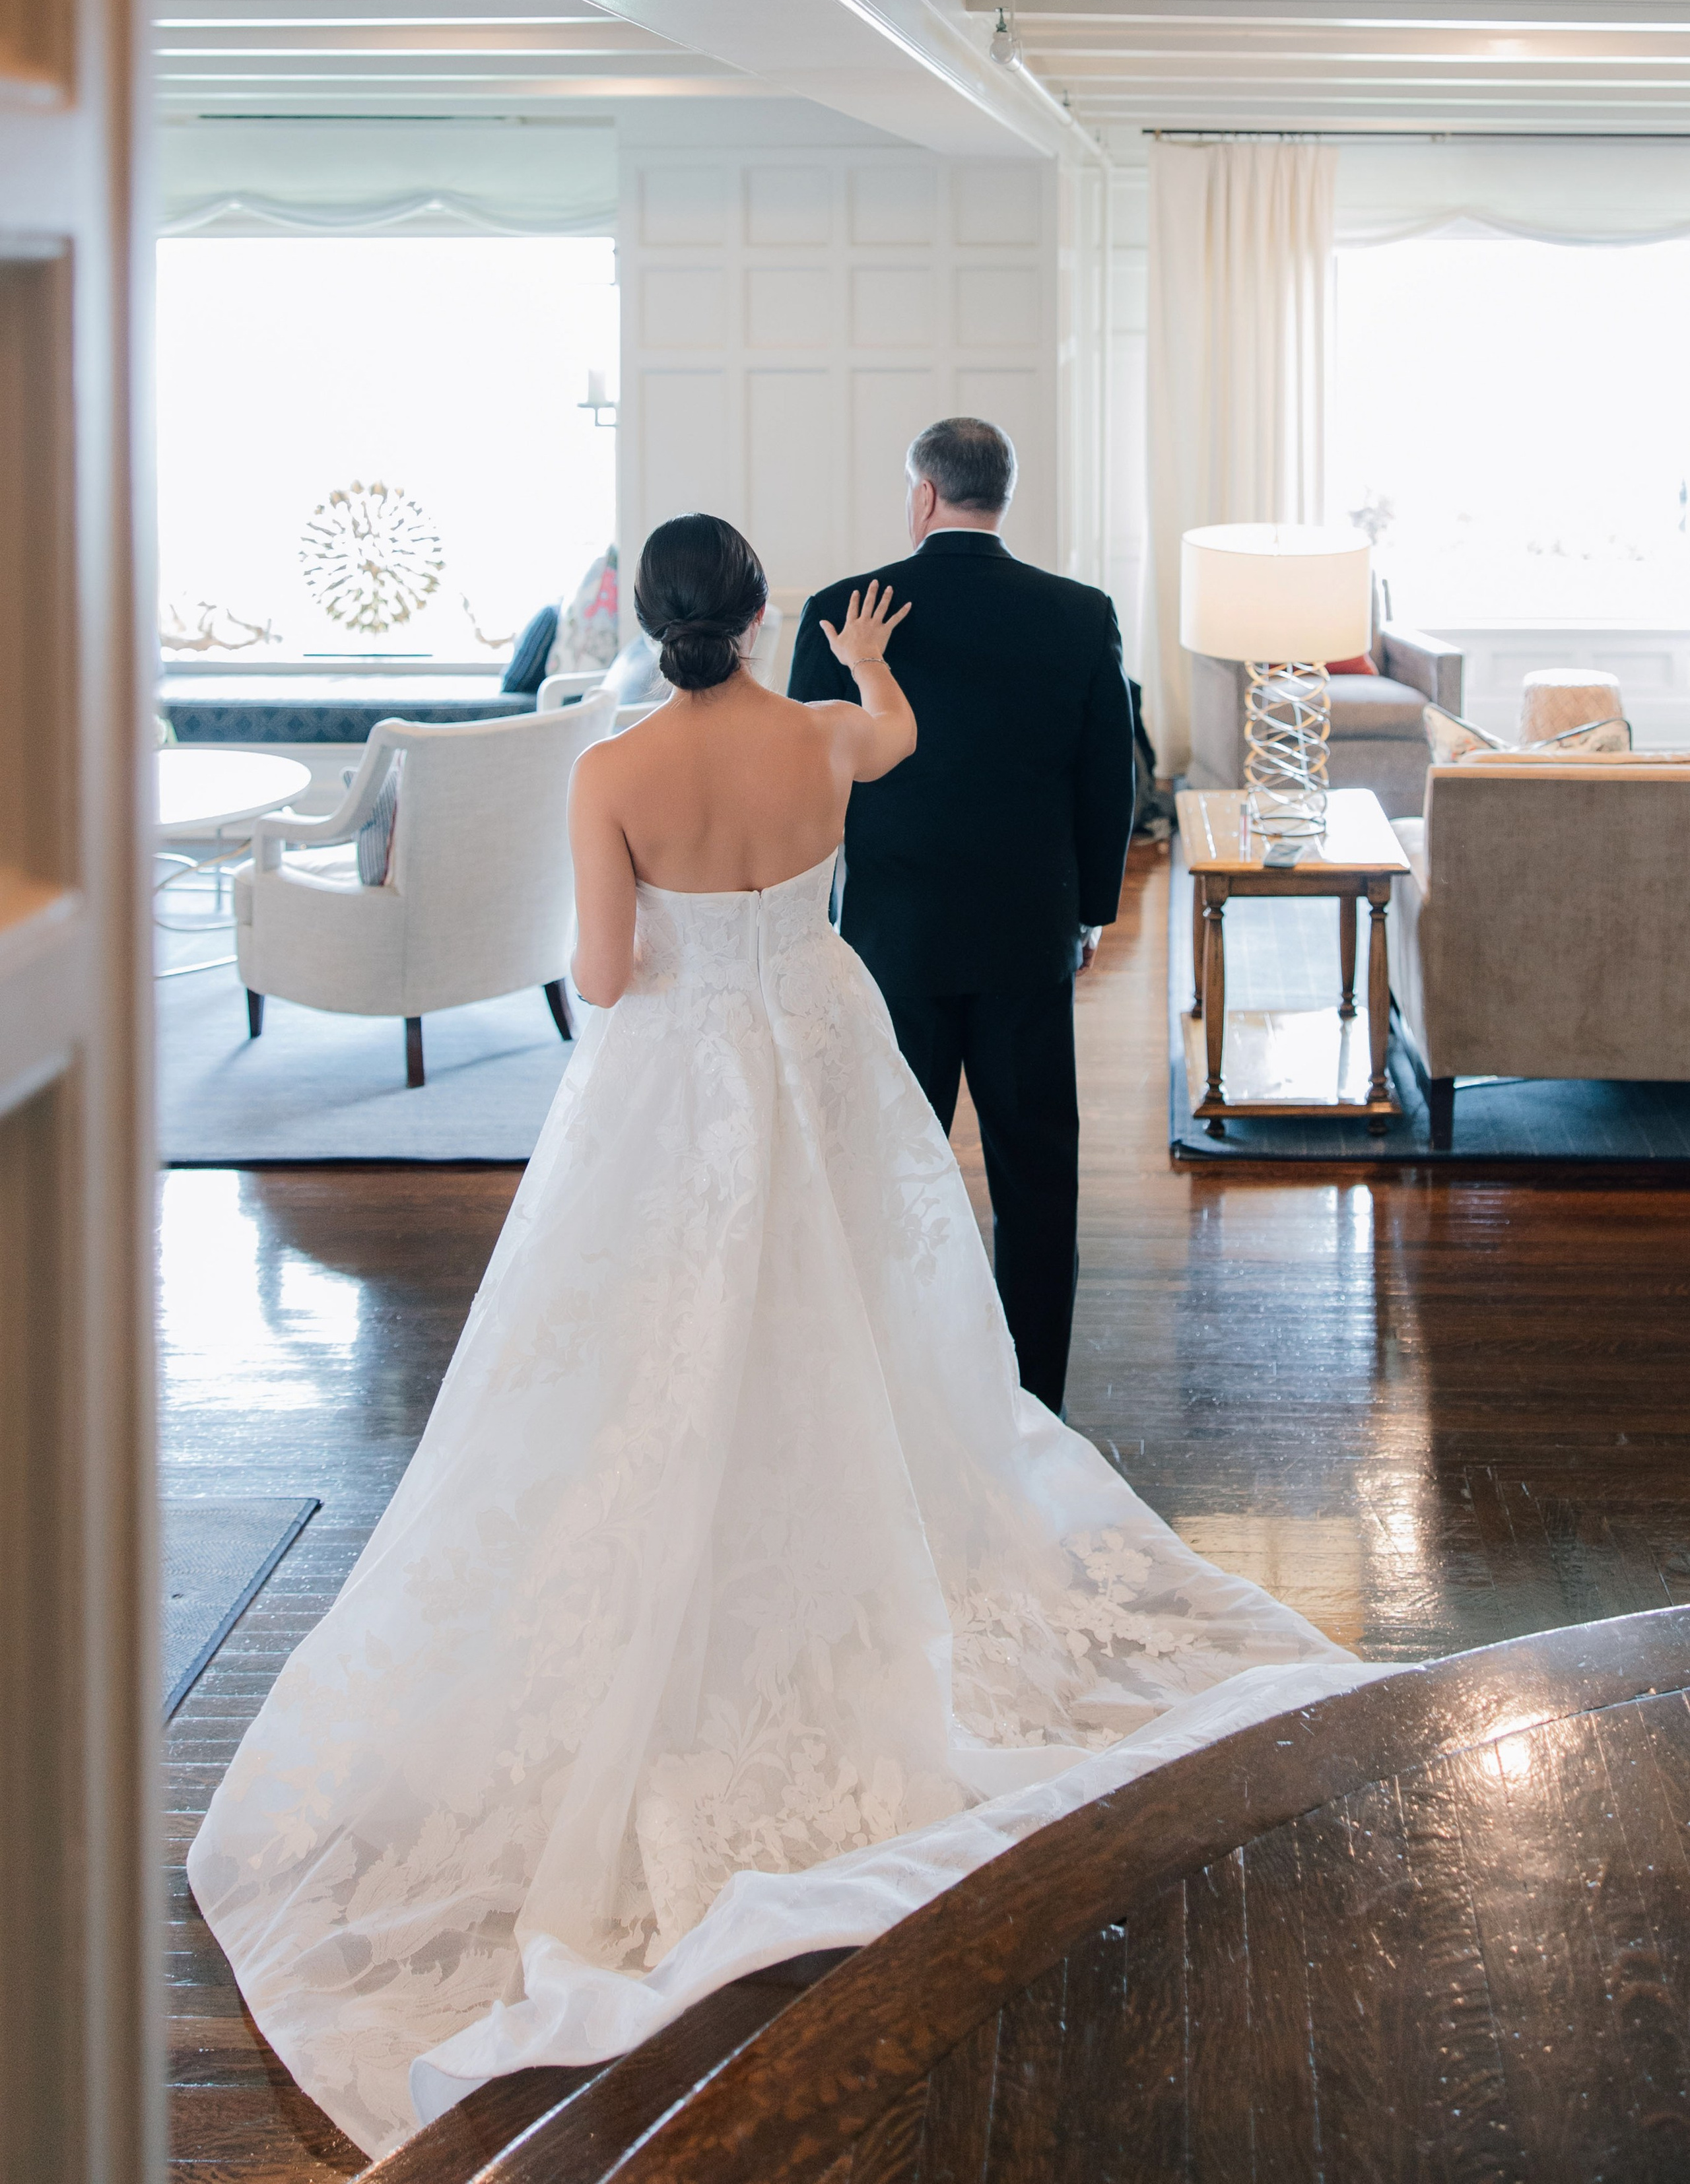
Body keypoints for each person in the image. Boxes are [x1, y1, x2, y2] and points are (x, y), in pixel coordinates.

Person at [186, 515, 1361, 2161]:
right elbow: (892, 743)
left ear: (657, 621)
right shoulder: (820, 734)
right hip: (815, 1045)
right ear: (756, 619)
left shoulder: (611, 769)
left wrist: (654, 928)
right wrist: (868, 667)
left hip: (680, 1073)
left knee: (655, 1336)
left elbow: (605, 977)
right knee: (853, 1301)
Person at [788, 418, 1135, 1414]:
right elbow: (1107, 780)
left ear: (924, 495)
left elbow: (807, 785)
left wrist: (810, 922)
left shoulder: (841, 611)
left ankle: (899, 1389)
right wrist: (1090, 913)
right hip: (1029, 933)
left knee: (894, 1166)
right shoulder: (1080, 614)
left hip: (893, 937)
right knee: (1037, 1176)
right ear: (1001, 496)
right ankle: (1036, 1404)